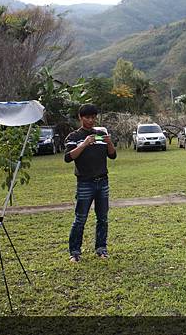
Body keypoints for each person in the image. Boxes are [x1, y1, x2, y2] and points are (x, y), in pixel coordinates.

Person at [64, 104, 116, 263]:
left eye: (93, 117)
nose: (91, 120)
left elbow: (112, 156)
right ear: (80, 118)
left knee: (103, 218)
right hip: (85, 183)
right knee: (80, 218)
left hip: (103, 181)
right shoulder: (73, 137)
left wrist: (109, 142)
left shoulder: (101, 134)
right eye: (87, 117)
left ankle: (101, 248)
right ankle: (74, 252)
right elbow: (68, 157)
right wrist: (84, 143)